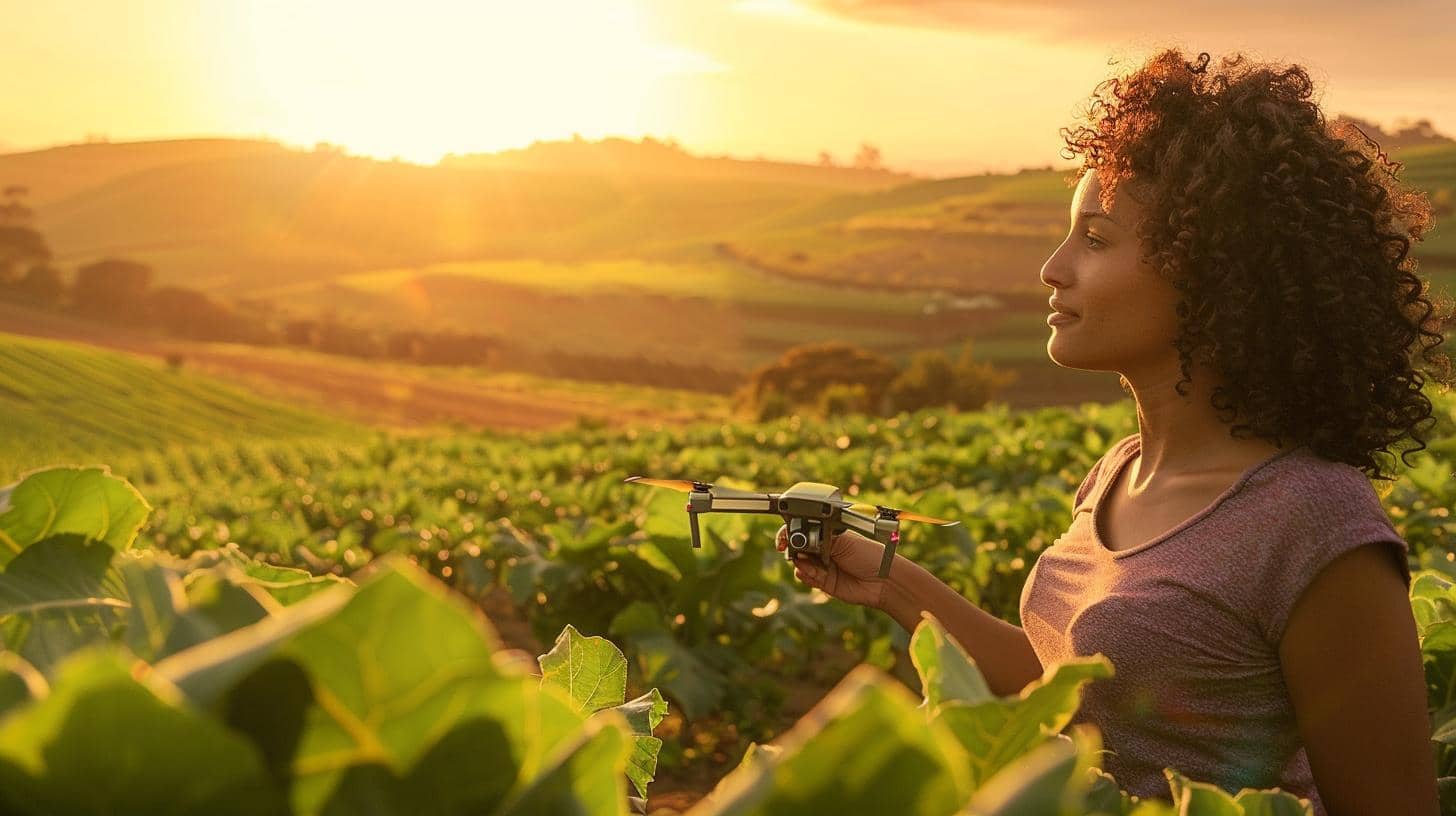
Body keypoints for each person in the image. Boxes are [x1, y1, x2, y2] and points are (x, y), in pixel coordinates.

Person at [779, 48, 1450, 816]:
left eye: (1095, 240)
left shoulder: (1315, 522)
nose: (1052, 268)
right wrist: (892, 580)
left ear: (1212, 272)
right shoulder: (1116, 473)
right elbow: (1068, 695)